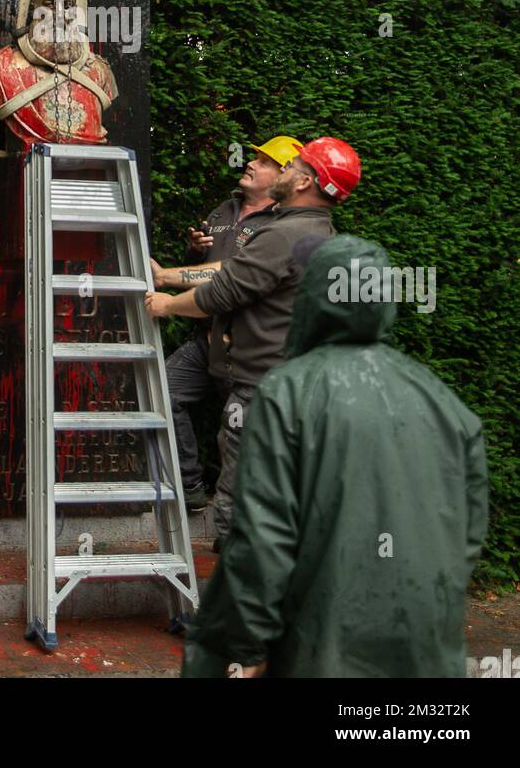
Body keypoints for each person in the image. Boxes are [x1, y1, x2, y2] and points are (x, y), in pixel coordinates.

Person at [181, 233, 488, 678]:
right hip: (428, 650)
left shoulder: (288, 392)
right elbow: (465, 536)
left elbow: (260, 547)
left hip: (322, 651)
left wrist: (220, 653)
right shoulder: (445, 404)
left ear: (312, 300)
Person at [146, 137, 361, 545]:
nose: (280, 169)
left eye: (292, 165)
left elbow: (223, 291)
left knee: (239, 505)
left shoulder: (285, 234)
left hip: (261, 389)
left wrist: (168, 305)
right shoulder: (316, 232)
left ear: (303, 182)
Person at [150, 136, 304, 514]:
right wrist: (195, 252)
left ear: (285, 176)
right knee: (163, 392)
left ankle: (247, 525)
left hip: (246, 345)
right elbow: (210, 265)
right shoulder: (225, 209)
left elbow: (231, 277)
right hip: (207, 337)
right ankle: (190, 487)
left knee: (243, 436)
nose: (251, 164)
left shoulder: (280, 226)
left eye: (264, 162)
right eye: (254, 158)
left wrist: (168, 286)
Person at [0, 0, 117, 146]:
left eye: (67, 5)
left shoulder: (100, 71)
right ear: (35, 9)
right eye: (50, 5)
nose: (60, 14)